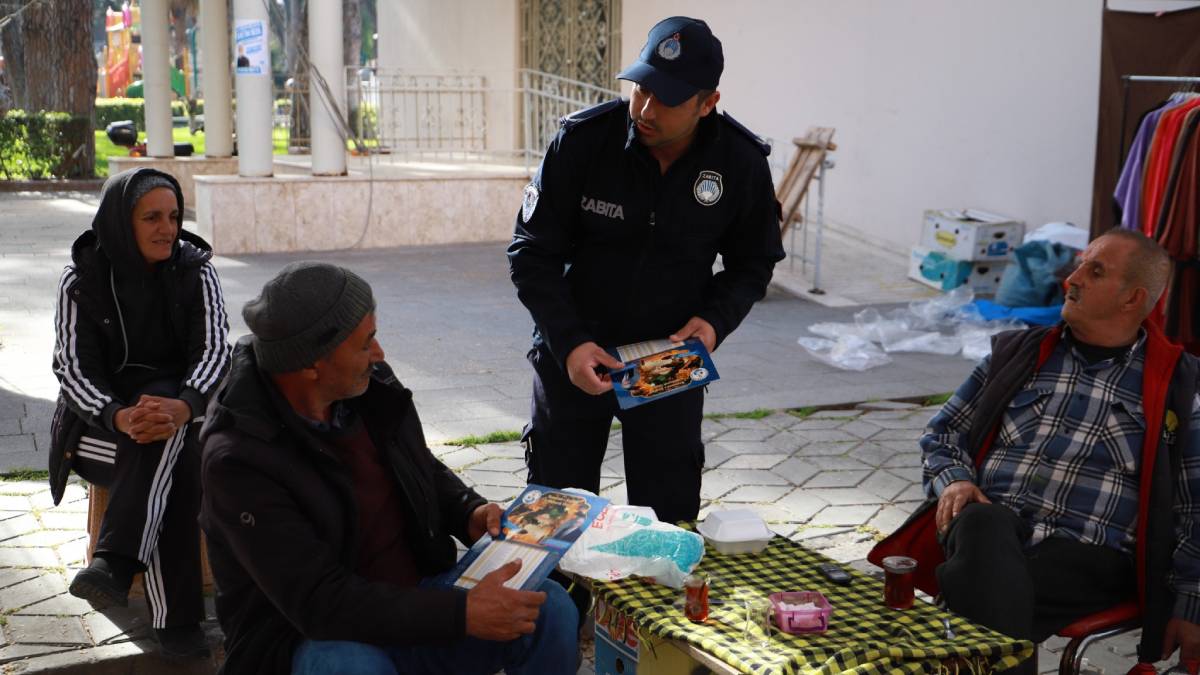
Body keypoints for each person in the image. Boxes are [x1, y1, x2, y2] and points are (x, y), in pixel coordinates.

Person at [198, 262, 578, 675]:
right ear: (311, 364)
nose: (379, 355)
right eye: (365, 344)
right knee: (347, 666)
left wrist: (468, 510)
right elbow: (321, 603)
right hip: (310, 636)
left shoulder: (368, 386)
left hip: (415, 602)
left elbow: (418, 465)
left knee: (549, 606)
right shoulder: (239, 460)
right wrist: (461, 613)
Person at [872, 228, 1200, 673]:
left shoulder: (1179, 387)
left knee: (976, 579)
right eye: (1080, 264)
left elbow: (1197, 507)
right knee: (984, 527)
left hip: (1087, 561)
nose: (1072, 278)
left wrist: (1190, 603)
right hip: (988, 535)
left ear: (1131, 299)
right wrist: (956, 481)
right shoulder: (1018, 354)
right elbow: (943, 432)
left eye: (1094, 270)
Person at [507, 16, 785, 525]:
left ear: (707, 103)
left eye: (669, 99)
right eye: (641, 89)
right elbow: (531, 252)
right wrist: (568, 342)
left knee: (667, 516)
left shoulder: (739, 163)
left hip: (666, 358)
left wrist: (715, 319)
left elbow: (755, 261)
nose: (646, 109)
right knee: (554, 517)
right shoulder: (585, 141)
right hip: (575, 349)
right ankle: (561, 605)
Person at [49, 168, 231, 659]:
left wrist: (183, 405)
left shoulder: (197, 271)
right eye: (151, 217)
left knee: (174, 441)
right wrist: (120, 416)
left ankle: (113, 560)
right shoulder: (81, 280)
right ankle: (176, 621)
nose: (167, 229)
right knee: (172, 447)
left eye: (173, 216)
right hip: (95, 430)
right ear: (119, 223)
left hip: (181, 415)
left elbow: (215, 353)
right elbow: (70, 370)